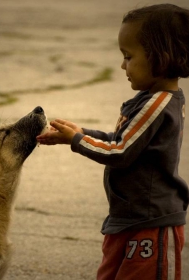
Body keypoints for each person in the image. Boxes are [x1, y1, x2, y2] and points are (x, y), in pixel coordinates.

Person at [36, 4, 189, 280]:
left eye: (128, 56)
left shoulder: (158, 104)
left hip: (151, 223)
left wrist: (77, 140)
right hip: (128, 218)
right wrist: (81, 132)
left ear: (159, 57)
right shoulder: (152, 100)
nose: (122, 65)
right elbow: (122, 141)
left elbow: (120, 152)